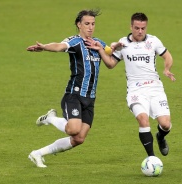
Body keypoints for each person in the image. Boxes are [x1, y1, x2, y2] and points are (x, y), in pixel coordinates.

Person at [26, 9, 113, 168]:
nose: (90, 27)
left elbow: (111, 55)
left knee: (79, 139)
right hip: (74, 95)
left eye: (93, 24)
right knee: (73, 129)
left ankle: (37, 153)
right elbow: (60, 46)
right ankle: (51, 118)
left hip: (90, 98)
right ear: (79, 25)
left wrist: (115, 46)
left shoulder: (98, 43)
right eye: (87, 24)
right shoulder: (75, 42)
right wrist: (45, 47)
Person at [88, 12, 175, 157]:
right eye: (137, 28)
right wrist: (101, 51)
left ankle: (160, 136)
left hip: (155, 88)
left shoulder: (154, 41)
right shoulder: (123, 43)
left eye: (143, 28)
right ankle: (151, 158)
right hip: (136, 91)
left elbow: (167, 55)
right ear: (131, 26)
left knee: (165, 124)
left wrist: (167, 68)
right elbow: (110, 64)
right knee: (143, 119)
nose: (140, 31)